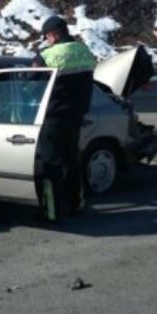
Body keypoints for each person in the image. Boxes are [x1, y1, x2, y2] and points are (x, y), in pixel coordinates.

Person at [32, 16, 97, 222]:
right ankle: (76, 204)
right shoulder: (84, 51)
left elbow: (30, 80)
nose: (47, 40)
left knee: (51, 165)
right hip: (76, 116)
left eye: (47, 37)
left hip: (52, 117)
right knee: (71, 161)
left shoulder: (47, 55)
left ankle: (54, 212)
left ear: (52, 34)